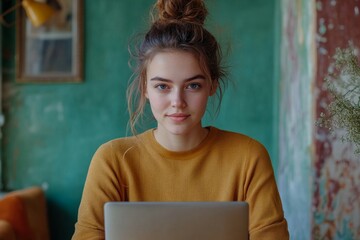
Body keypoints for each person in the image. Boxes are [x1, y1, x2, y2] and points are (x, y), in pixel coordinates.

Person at [72, 0, 289, 239]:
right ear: (145, 87)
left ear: (212, 86)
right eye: (163, 86)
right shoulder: (112, 160)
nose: (178, 101)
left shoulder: (248, 157)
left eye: (193, 85)